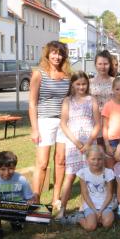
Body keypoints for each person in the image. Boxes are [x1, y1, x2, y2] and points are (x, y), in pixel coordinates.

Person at [29, 40, 71, 207]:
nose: (57, 56)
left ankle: (56, 198)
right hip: (44, 121)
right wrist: (34, 129)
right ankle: (36, 197)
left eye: (60, 53)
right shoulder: (39, 73)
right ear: (47, 54)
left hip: (63, 122)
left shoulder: (67, 75)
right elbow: (32, 102)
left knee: (60, 160)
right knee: (42, 163)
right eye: (54, 52)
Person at [57, 71, 101, 218]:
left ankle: (85, 206)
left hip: (89, 143)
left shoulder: (92, 99)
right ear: (72, 84)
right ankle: (62, 208)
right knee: (70, 176)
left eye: (84, 84)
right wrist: (76, 142)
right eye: (78, 84)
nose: (81, 87)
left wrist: (88, 143)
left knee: (88, 175)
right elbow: (63, 123)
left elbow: (97, 123)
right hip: (73, 143)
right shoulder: (67, 101)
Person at [0, 151, 34, 239]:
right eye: (2, 169)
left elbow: (30, 198)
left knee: (18, 226)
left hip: (18, 208)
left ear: (15, 167)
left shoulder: (21, 180)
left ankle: (16, 221)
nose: (7, 173)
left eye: (10, 169)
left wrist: (31, 201)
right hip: (0, 208)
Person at [76, 148, 115, 231]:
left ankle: (98, 218)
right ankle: (79, 218)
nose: (96, 162)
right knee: (91, 227)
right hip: (90, 204)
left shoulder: (108, 172)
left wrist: (101, 210)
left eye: (99, 159)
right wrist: (94, 210)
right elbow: (85, 193)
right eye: (93, 159)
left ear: (103, 159)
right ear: (87, 160)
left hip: (105, 204)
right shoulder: (83, 173)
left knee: (107, 223)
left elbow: (110, 194)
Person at [90, 50, 117, 152]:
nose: (103, 66)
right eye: (100, 64)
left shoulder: (115, 82)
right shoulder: (90, 82)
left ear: (110, 64)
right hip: (95, 121)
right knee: (98, 152)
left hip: (112, 121)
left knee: (111, 152)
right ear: (96, 65)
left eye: (105, 64)